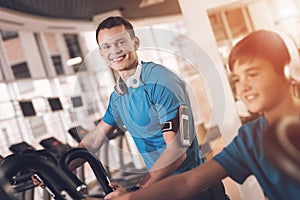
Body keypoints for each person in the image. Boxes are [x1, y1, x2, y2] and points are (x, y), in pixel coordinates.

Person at [109, 30, 300, 200]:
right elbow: (188, 182)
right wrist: (131, 197)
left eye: (253, 74)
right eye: (237, 79)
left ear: (287, 69)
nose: (244, 87)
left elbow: (178, 152)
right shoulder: (250, 138)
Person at [61, 16, 227, 199]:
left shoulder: (162, 81)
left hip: (196, 190)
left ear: (135, 43)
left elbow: (177, 150)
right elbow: (94, 139)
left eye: (121, 42)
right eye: (107, 46)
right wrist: (59, 168)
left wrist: (138, 190)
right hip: (165, 191)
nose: (114, 51)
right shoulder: (119, 96)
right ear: (101, 53)